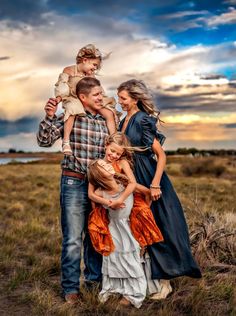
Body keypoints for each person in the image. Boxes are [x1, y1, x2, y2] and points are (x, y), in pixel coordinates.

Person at [117, 79, 202, 299]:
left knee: (159, 226)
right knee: (138, 228)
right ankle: (142, 280)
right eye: (118, 98)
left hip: (149, 176)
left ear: (135, 98)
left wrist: (155, 184)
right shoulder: (122, 121)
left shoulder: (143, 120)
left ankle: (165, 283)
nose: (120, 102)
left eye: (123, 98)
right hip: (132, 178)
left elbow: (161, 155)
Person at [37, 77, 109, 305]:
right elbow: (45, 141)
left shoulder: (105, 120)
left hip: (99, 187)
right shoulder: (71, 116)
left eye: (101, 93)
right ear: (83, 97)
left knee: (95, 235)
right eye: (96, 94)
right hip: (74, 182)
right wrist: (49, 116)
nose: (101, 97)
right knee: (72, 240)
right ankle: (70, 289)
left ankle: (94, 284)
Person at [88, 158, 147, 308]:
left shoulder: (124, 183)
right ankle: (114, 289)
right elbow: (92, 199)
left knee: (129, 258)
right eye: (102, 166)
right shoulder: (100, 192)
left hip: (128, 227)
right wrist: (108, 203)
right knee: (114, 259)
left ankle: (132, 293)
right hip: (113, 228)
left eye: (105, 163)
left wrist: (142, 214)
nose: (107, 164)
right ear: (98, 175)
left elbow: (146, 192)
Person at [54, 44, 117, 155]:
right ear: (85, 60)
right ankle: (66, 141)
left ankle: (114, 141)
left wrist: (103, 100)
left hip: (89, 100)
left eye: (96, 67)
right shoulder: (69, 70)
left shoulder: (91, 75)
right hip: (73, 97)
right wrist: (59, 98)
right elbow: (62, 85)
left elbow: (97, 89)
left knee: (109, 113)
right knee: (73, 110)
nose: (94, 68)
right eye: (94, 65)